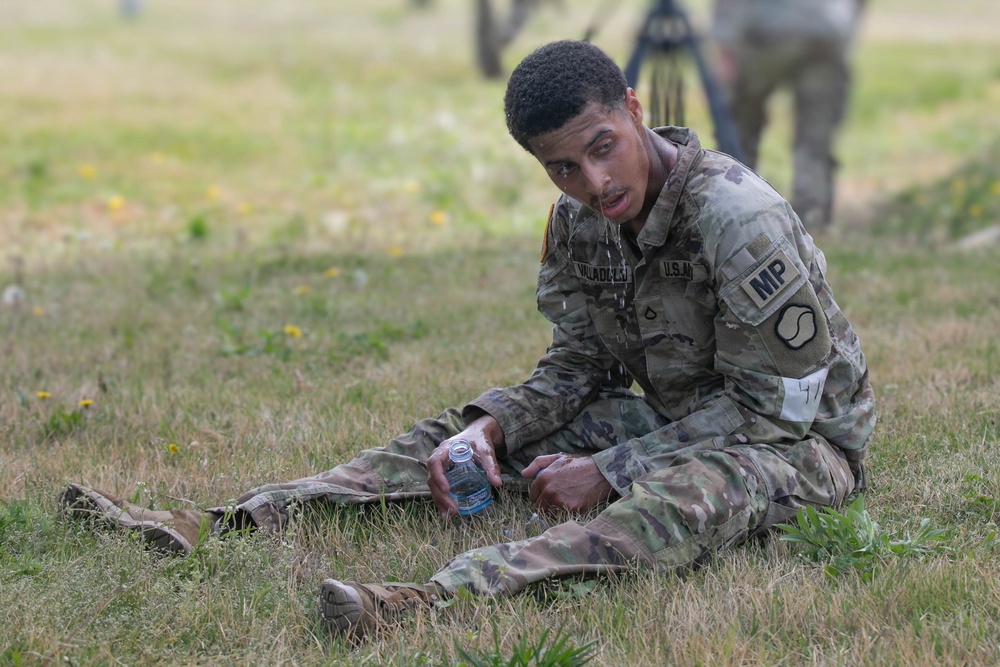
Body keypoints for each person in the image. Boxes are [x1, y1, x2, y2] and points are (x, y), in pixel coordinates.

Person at [60, 39, 876, 640]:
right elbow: (577, 367)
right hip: (676, 419)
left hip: (802, 445)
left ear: (633, 107)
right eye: (562, 168)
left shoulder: (740, 218)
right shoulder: (580, 221)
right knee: (453, 436)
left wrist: (613, 469)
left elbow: (776, 412)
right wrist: (487, 432)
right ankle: (222, 518)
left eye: (602, 149)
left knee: (695, 492)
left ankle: (430, 599)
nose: (594, 184)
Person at [711, 0, 866, 233]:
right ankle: (812, 221)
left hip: (762, 28)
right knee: (815, 141)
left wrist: (724, 36)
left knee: (740, 126)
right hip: (825, 28)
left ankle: (736, 214)